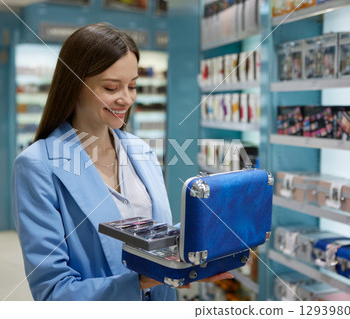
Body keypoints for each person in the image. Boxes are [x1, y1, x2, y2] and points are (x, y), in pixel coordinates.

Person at [12, 23, 233, 301]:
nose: (126, 98)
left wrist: (203, 241)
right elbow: (52, 292)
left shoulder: (141, 151)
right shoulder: (37, 166)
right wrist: (140, 280)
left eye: (132, 86)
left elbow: (153, 234)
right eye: (110, 87)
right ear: (75, 85)